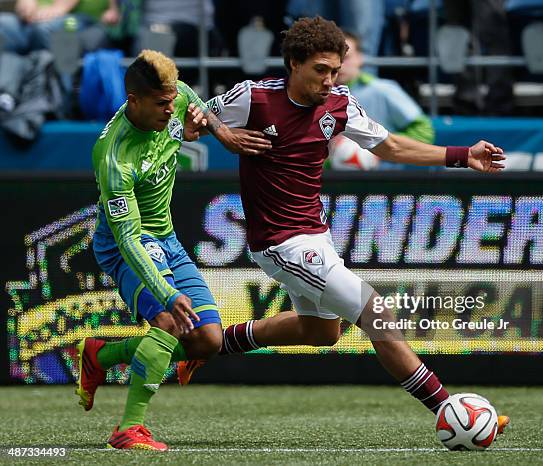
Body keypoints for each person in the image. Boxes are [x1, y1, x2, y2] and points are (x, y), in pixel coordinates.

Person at [178, 16, 510, 432]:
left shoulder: (338, 103)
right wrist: (223, 132)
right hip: (279, 241)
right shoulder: (254, 99)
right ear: (294, 63)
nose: (330, 80)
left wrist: (463, 156)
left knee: (321, 332)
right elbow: (188, 124)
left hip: (316, 235)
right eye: (321, 70)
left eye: (335, 71)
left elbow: (389, 146)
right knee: (377, 313)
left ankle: (210, 346)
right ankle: (450, 412)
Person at [76, 49, 272, 451]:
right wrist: (167, 293)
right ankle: (128, 429)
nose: (172, 108)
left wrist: (224, 134)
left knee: (208, 341)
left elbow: (193, 100)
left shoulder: (174, 94)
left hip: (167, 240)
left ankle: (100, 355)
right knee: (168, 319)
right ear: (134, 101)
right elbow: (129, 238)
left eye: (172, 101)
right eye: (162, 104)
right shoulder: (113, 156)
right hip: (123, 245)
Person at [336, 30, 433, 169]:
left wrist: (378, 149)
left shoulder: (383, 90)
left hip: (384, 183)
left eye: (346, 58)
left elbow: (424, 131)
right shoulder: (313, 97)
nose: (339, 65)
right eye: (334, 58)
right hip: (330, 185)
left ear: (360, 58)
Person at [0, 0, 120, 54]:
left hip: (80, 19)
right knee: (3, 24)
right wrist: (25, 5)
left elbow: (60, 9)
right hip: (34, 19)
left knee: (45, 29)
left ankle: (46, 91)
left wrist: (57, 9)